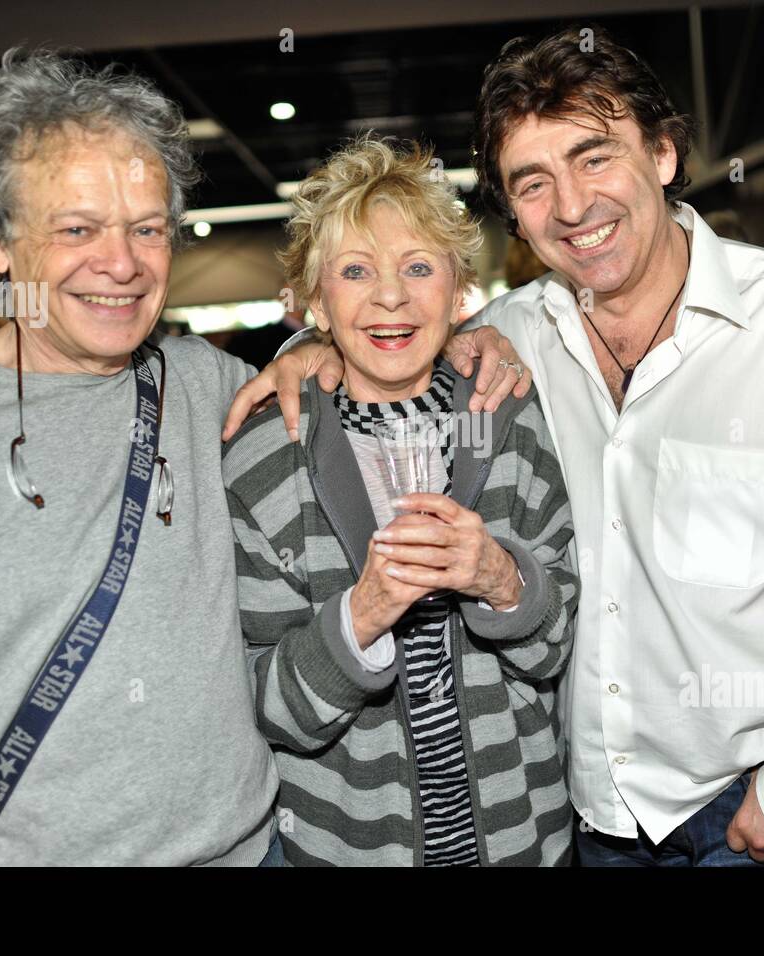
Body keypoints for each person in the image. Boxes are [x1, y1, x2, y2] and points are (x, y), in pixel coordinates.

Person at [228, 26, 764, 867]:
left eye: (595, 158)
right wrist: (305, 355)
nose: (572, 207)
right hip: (578, 815)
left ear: (664, 154)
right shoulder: (508, 341)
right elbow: (387, 336)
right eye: (533, 183)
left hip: (751, 805)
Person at [0, 48, 529, 867]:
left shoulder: (219, 389)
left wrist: (460, 339)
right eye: (77, 229)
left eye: (147, 228)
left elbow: (372, 353)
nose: (122, 262)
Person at [223, 135, 578, 866]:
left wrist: (501, 580)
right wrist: (364, 615)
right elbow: (265, 706)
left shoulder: (507, 418)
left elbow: (556, 647)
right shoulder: (263, 461)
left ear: (460, 291)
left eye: (419, 267)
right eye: (356, 272)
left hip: (524, 841)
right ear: (316, 301)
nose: (391, 296)